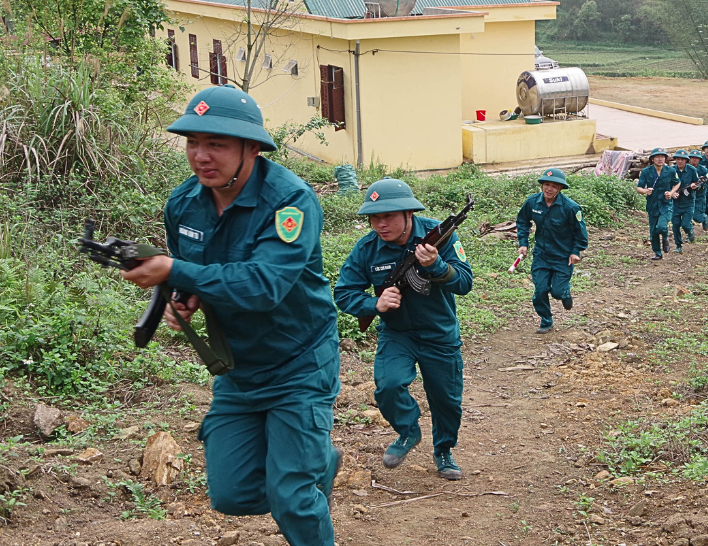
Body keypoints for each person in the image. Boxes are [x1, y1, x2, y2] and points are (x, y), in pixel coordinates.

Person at [120, 85, 341, 546]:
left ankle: (305, 472)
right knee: (231, 494)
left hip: (299, 362)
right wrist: (181, 296)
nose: (201, 156)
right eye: (192, 143)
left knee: (293, 499)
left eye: (216, 144)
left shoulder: (289, 202)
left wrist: (178, 270)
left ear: (252, 148)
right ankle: (318, 460)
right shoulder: (183, 204)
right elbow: (193, 275)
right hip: (239, 368)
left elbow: (264, 286)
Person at [334, 178, 473, 480]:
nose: (380, 224)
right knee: (388, 385)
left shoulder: (440, 236)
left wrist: (436, 267)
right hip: (398, 333)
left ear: (409, 213)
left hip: (439, 331)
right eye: (374, 217)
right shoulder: (367, 248)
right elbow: (344, 293)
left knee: (446, 399)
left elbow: (464, 282)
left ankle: (444, 451)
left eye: (388, 216)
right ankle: (408, 431)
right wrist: (375, 304)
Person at [515, 169, 588, 334]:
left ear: (560, 188)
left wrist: (575, 251)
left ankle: (564, 291)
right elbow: (522, 221)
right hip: (541, 255)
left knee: (556, 292)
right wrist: (523, 243)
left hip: (563, 257)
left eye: (554, 186)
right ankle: (546, 320)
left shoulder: (571, 207)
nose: (549, 189)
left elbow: (580, 232)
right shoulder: (532, 202)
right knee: (540, 290)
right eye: (546, 184)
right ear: (542, 185)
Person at [636, 148, 680, 260]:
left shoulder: (670, 171)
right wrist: (645, 191)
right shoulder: (646, 172)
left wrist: (671, 193)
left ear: (665, 159)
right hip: (652, 205)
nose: (660, 159)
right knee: (653, 231)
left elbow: (677, 183)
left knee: (661, 226)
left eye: (662, 157)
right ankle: (657, 253)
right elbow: (639, 188)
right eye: (657, 157)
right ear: (652, 159)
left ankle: (665, 237)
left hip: (666, 204)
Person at [670, 149, 698, 253]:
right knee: (675, 224)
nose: (680, 161)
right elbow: (667, 184)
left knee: (685, 224)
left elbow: (697, 183)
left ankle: (690, 231)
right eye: (678, 159)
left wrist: (695, 187)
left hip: (688, 202)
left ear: (686, 160)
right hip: (676, 203)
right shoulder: (671, 170)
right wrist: (672, 193)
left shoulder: (692, 170)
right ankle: (678, 245)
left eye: (682, 159)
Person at [689, 149, 708, 229]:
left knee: (697, 217)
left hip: (699, 196)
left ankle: (704, 218)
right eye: (692, 158)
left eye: (696, 158)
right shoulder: (686, 169)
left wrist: (699, 186)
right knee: (688, 215)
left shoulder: (703, 170)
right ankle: (690, 233)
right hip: (688, 196)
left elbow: (707, 182)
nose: (694, 160)